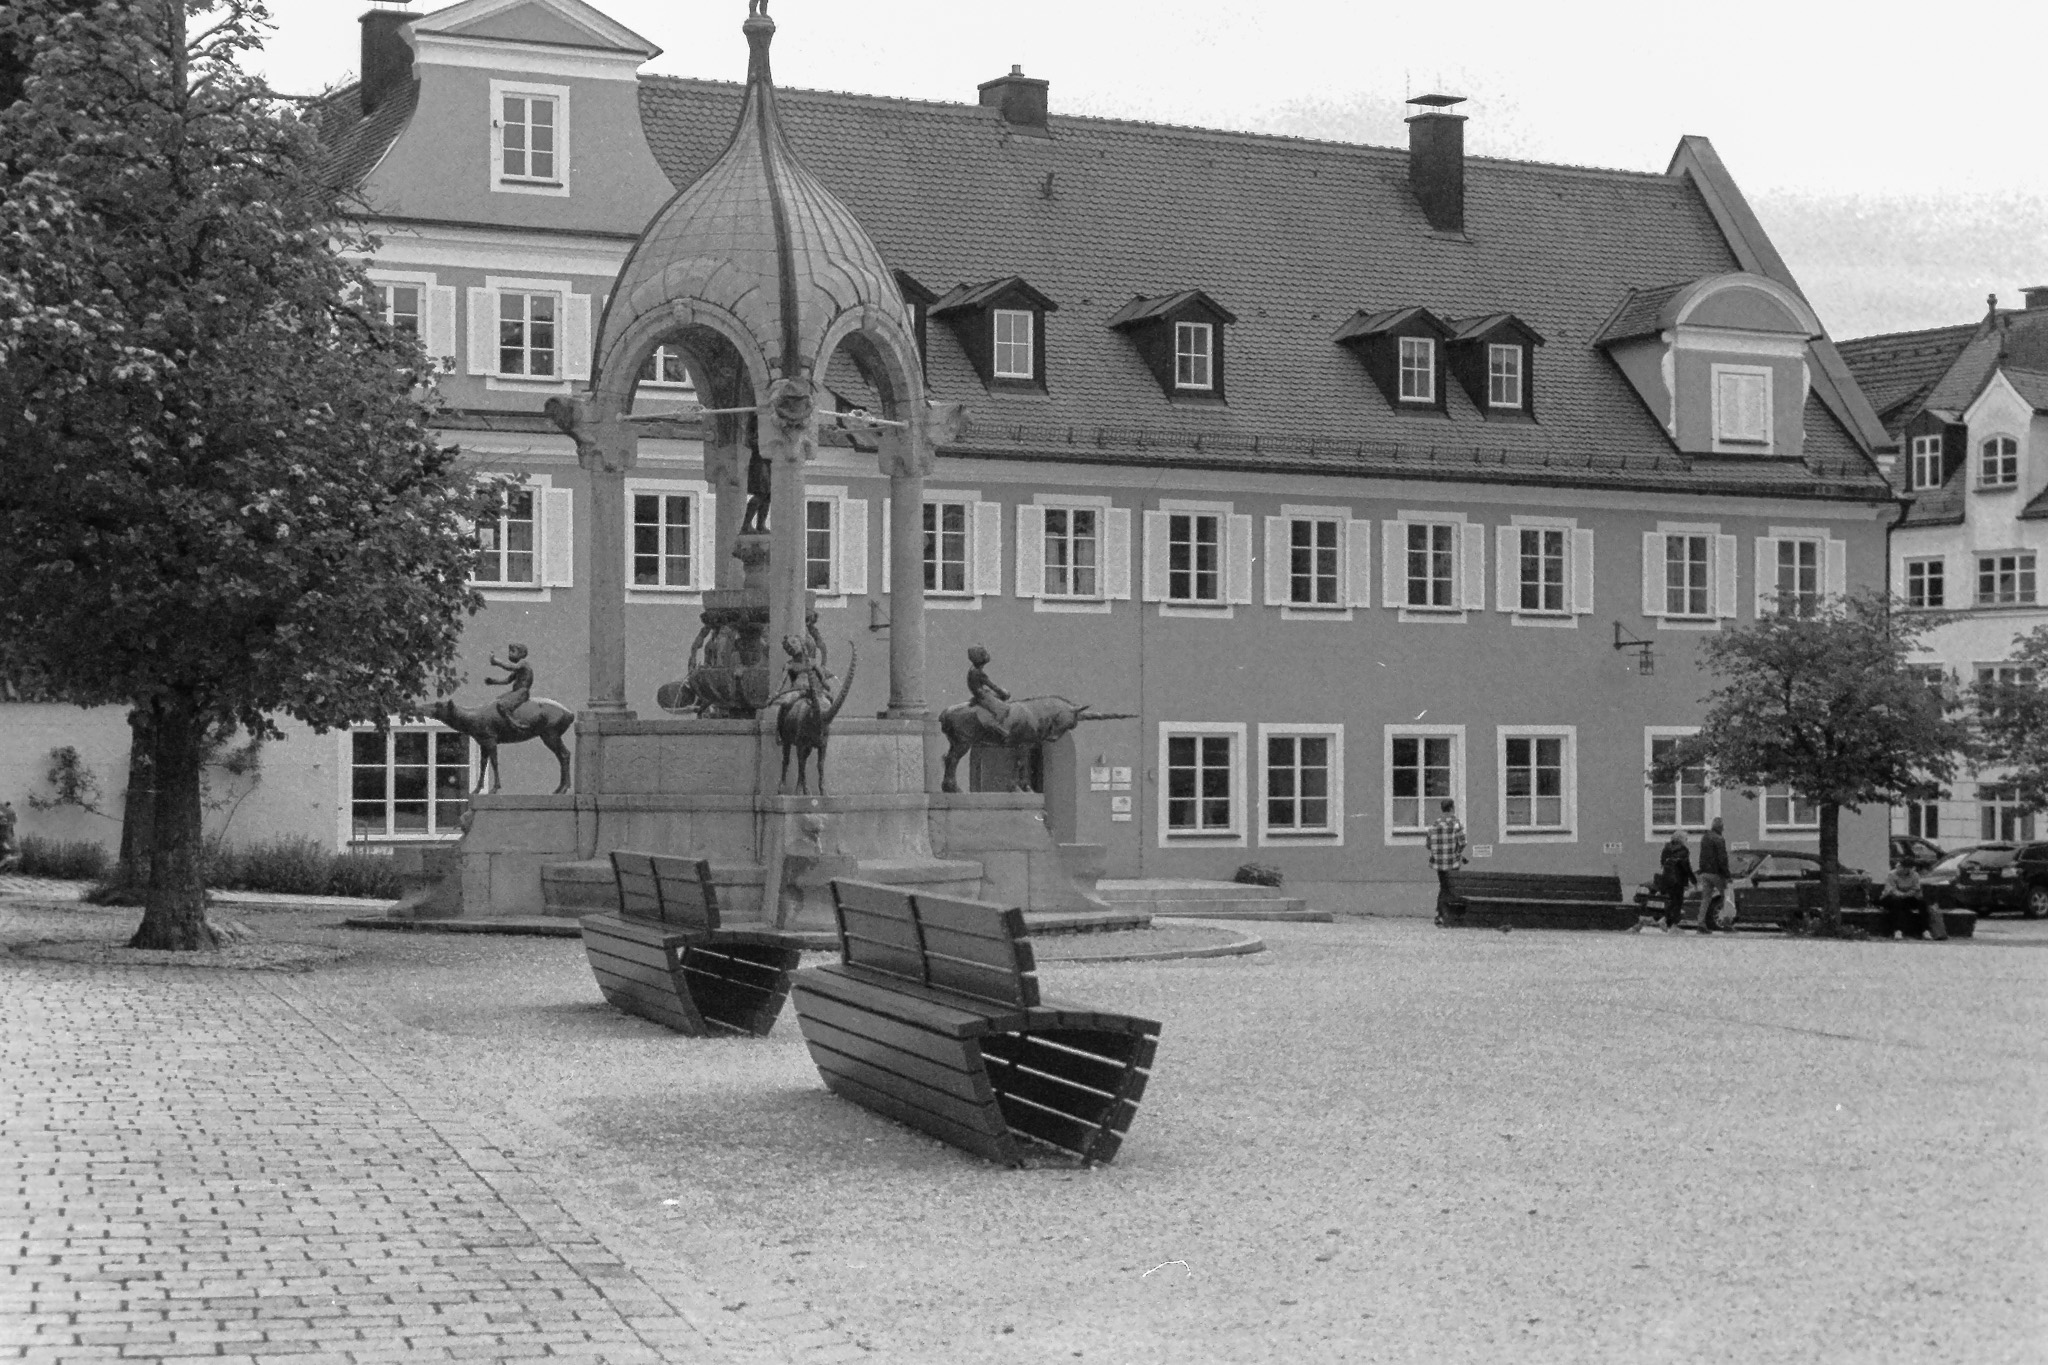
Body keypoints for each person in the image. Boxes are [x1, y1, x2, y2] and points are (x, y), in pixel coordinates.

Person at [1877, 861, 1944, 941]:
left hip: (1908, 896)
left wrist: (1907, 894)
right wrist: (1901, 894)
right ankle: (1898, 930)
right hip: (1891, 897)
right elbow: (1891, 889)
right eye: (1899, 866)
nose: (1900, 869)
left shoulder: (1915, 875)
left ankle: (1925, 930)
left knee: (1922, 903)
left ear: (1908, 869)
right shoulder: (1892, 874)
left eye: (1903, 867)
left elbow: (1916, 888)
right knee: (1896, 903)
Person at [1426, 799, 1467, 926]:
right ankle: (1446, 915)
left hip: (1438, 863)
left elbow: (1428, 845)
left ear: (1442, 809)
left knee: (1444, 886)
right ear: (1452, 808)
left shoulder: (1434, 824)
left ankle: (1440, 914)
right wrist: (1457, 852)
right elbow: (1463, 842)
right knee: (1450, 888)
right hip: (1452, 862)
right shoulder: (1456, 824)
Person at [764, 634, 828, 711]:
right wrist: (774, 695)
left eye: (794, 642)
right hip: (797, 691)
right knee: (786, 702)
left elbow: (822, 679)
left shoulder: (812, 662)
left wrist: (825, 686)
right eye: (788, 647)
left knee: (826, 703)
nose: (792, 647)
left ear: (801, 643)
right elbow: (781, 682)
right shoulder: (789, 665)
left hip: (812, 690)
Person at [1697, 816, 1732, 932]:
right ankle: (1727, 924)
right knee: (1727, 897)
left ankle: (1701, 923)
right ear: (1721, 827)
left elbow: (1702, 856)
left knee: (1705, 899)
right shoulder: (1719, 839)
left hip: (1705, 872)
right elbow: (1722, 859)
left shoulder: (1705, 837)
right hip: (1716, 873)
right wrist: (1727, 875)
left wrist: (1702, 869)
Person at [486, 643, 533, 727]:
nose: (510, 653)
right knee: (497, 700)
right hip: (516, 692)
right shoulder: (518, 669)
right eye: (510, 651)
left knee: (502, 705)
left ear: (521, 654)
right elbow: (507, 680)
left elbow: (511, 667)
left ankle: (515, 723)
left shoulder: (523, 663)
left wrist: (497, 662)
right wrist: (493, 681)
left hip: (522, 692)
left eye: (513, 651)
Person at [1659, 830, 1697, 933]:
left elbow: (1662, 862)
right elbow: (1686, 867)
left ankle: (1665, 920)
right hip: (1678, 879)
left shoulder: (1666, 848)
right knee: (1678, 903)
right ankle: (1673, 926)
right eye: (1686, 838)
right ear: (1681, 839)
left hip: (1667, 879)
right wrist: (1693, 880)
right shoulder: (1683, 850)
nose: (1687, 840)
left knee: (1672, 901)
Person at [966, 645, 1011, 727]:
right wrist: (1002, 693)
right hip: (982, 696)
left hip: (979, 693)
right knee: (1003, 710)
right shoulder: (978, 673)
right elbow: (992, 686)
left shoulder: (973, 670)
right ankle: (997, 727)